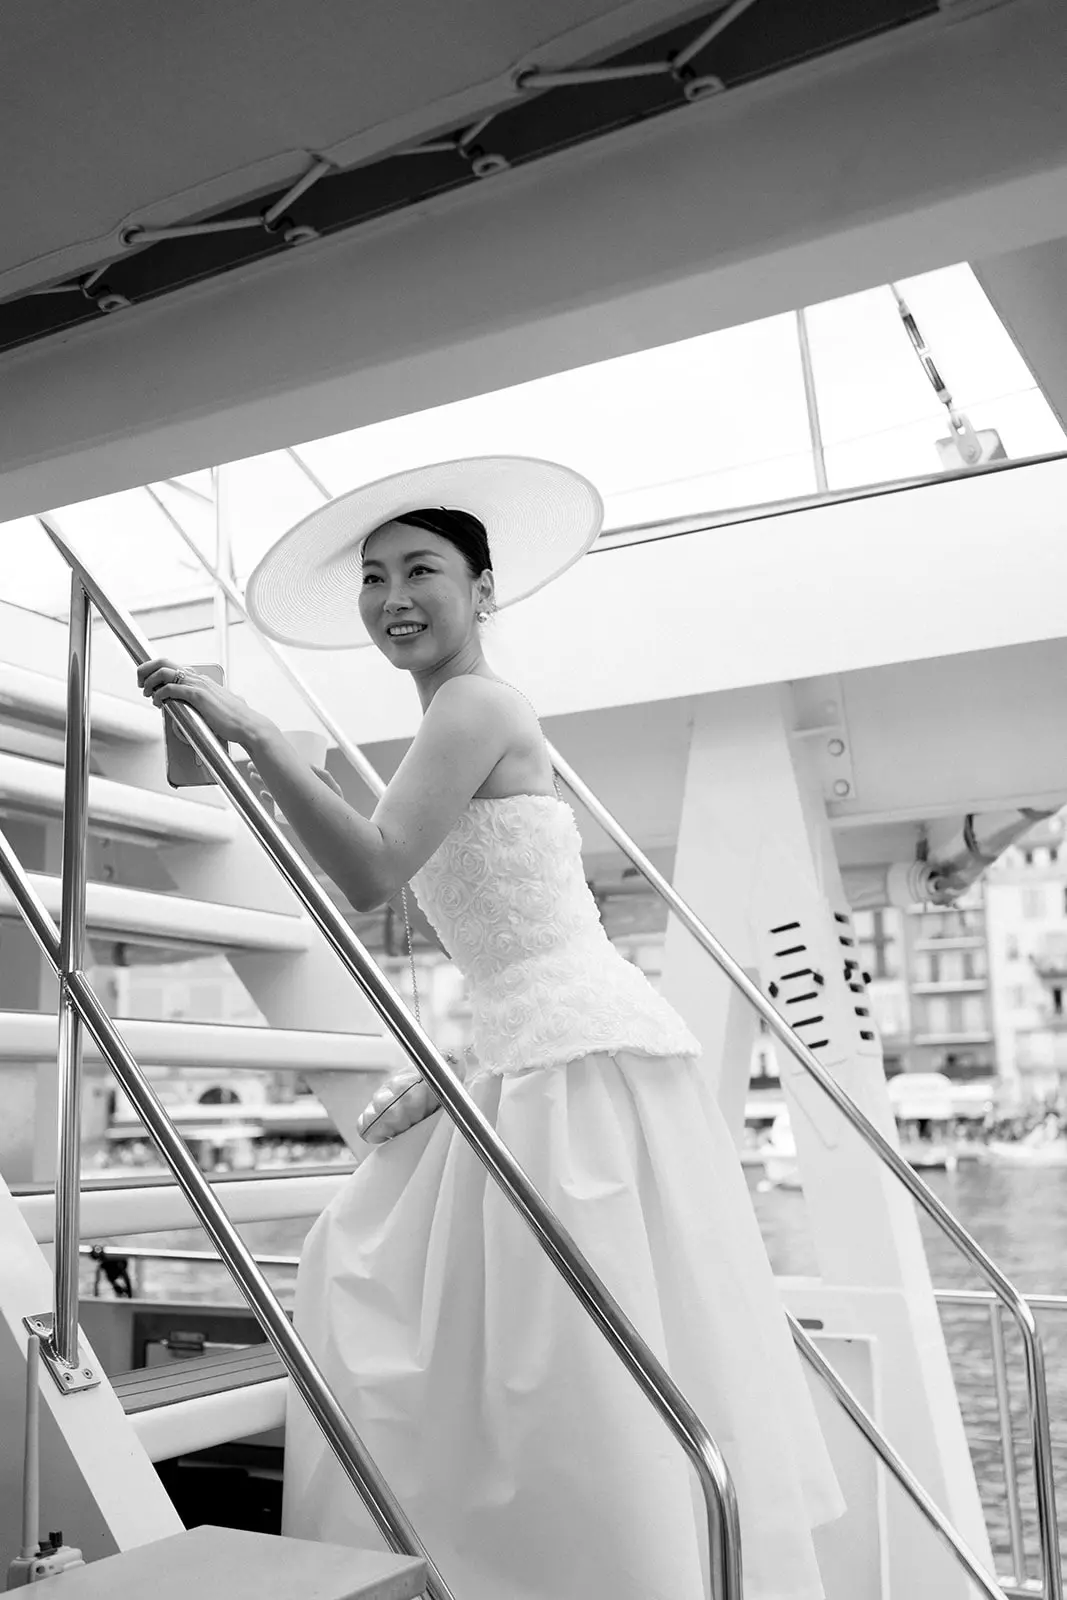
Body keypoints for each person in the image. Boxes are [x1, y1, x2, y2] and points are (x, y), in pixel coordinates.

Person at [138, 455, 843, 1600]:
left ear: (482, 587)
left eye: (422, 568)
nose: (391, 595)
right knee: (493, 1323)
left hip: (571, 1057)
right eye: (373, 577)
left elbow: (369, 873)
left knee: (544, 1354)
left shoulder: (472, 703)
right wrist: (457, 1063)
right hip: (543, 1043)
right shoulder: (453, 718)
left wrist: (255, 730)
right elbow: (487, 926)